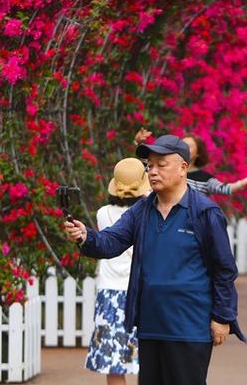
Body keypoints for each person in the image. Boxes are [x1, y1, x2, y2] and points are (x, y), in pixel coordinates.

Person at [65, 134, 245, 385]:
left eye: (162, 164)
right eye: (149, 165)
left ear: (183, 168)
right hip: (150, 324)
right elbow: (111, 242)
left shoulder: (205, 212)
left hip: (189, 324)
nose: (153, 171)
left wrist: (222, 317)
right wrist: (85, 236)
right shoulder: (142, 209)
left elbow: (224, 269)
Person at [84, 158, 150, 384]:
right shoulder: (148, 214)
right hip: (140, 291)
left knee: (113, 364)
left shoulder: (103, 213)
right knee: (147, 360)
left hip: (109, 293)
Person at [134, 128, 247, 196]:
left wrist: (244, 182)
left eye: (189, 147)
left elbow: (225, 189)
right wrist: (138, 142)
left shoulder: (205, 178)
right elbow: (144, 163)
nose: (154, 171)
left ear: (198, 153)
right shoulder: (163, 170)